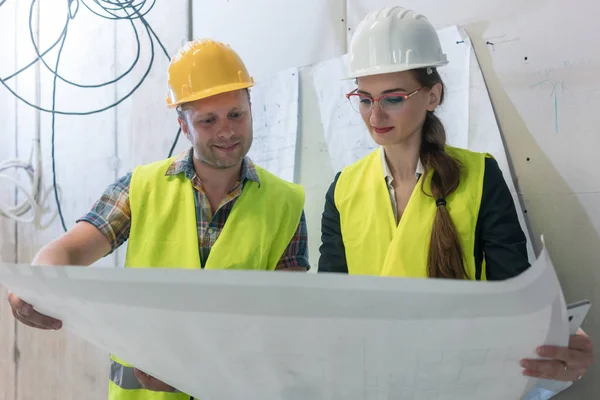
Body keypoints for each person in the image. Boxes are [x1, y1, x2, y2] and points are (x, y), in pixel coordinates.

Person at [8, 38, 309, 399]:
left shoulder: (286, 203)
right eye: (208, 120)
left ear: (250, 108)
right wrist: (35, 288)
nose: (226, 131)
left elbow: (286, 325)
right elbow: (67, 253)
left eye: (236, 114)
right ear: (183, 125)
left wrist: (203, 371)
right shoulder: (141, 188)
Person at [318, 5, 593, 392]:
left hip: (462, 383)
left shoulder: (480, 177)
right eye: (364, 98)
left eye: (393, 98)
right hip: (375, 382)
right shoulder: (344, 188)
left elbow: (515, 289)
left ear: (433, 95)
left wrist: (559, 336)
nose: (374, 114)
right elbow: (330, 303)